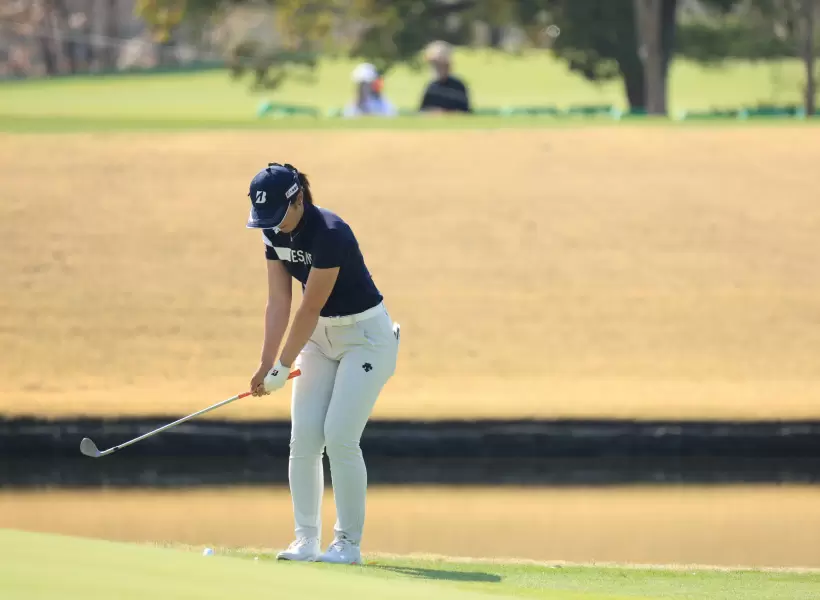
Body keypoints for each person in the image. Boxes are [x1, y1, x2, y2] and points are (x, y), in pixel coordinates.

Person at [245, 162, 400, 565]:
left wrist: (283, 366)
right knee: (305, 438)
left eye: (278, 216)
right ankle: (305, 541)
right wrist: (265, 364)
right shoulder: (271, 232)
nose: (273, 227)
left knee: (339, 435)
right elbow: (279, 302)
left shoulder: (330, 233)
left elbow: (309, 306)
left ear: (298, 199)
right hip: (317, 340)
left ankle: (347, 545)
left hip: (365, 340)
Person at [418, 41, 472, 114]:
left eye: (439, 65)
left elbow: (464, 112)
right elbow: (422, 111)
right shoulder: (431, 87)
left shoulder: (458, 86)